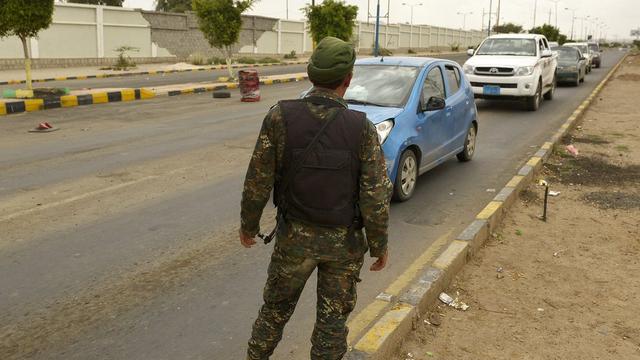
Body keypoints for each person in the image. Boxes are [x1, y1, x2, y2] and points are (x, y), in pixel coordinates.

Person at [240, 36, 392, 360]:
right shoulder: (362, 128)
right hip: (343, 247)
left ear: (311, 76)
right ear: (348, 80)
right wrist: (379, 245)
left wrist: (248, 226)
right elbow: (375, 195)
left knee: (274, 313)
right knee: (331, 325)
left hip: (294, 240)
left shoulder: (279, 117)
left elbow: (257, 181)